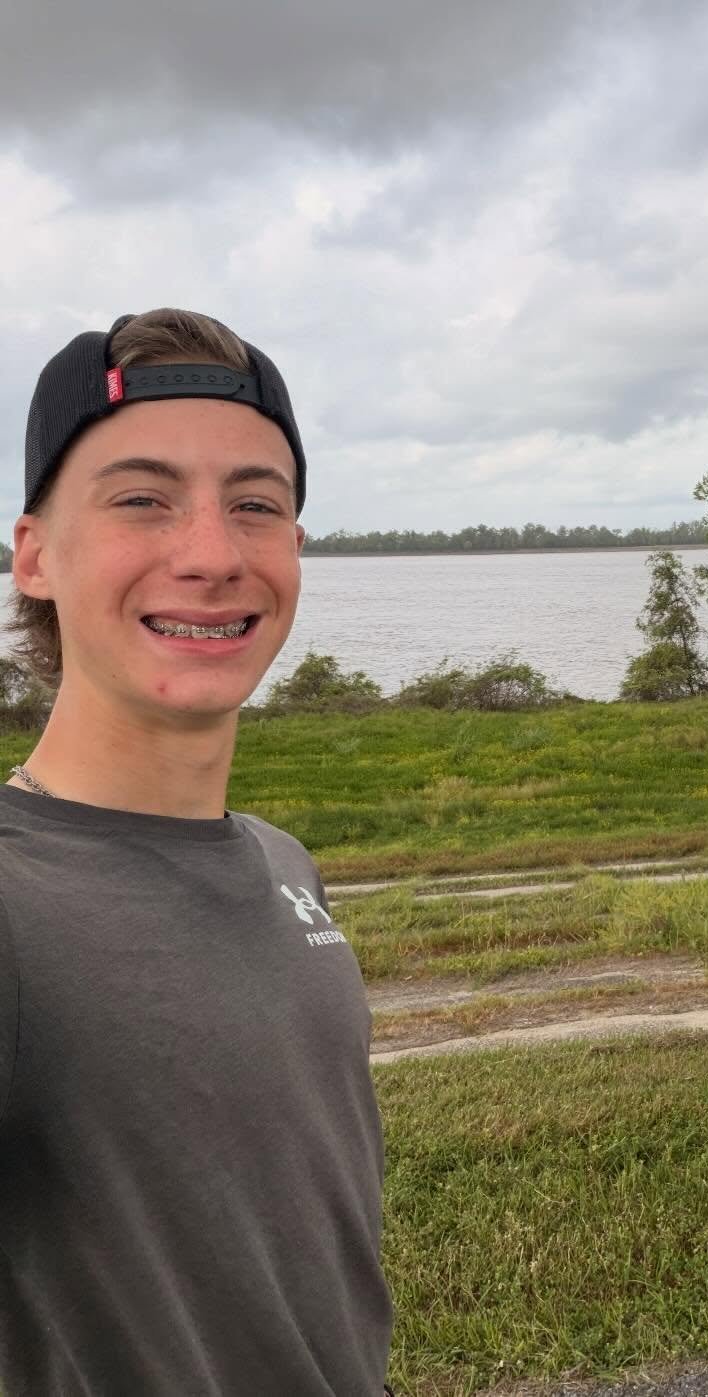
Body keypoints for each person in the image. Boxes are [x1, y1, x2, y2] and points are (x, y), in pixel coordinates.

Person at [0, 310, 393, 1393]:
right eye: (143, 499)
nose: (214, 554)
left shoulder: (284, 863)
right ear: (34, 553)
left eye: (256, 506)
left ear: (295, 553)